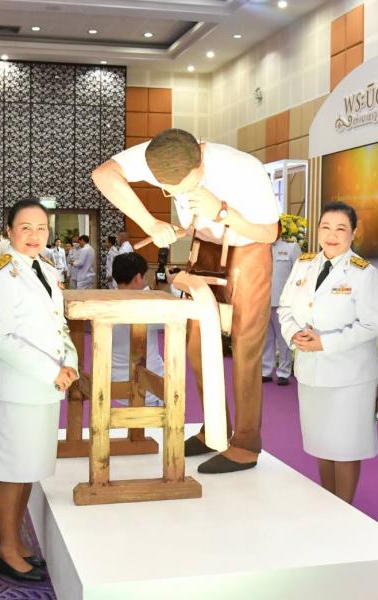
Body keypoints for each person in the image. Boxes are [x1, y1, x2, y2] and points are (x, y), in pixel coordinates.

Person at [92, 128, 280, 473]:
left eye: (184, 188)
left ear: (200, 162)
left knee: (245, 348)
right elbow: (103, 175)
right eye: (169, 191)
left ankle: (246, 443)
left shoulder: (243, 168)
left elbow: (269, 232)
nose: (176, 195)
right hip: (204, 247)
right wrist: (150, 223)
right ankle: (215, 430)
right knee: (197, 346)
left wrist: (221, 212)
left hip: (248, 249)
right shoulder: (158, 153)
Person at [0, 199, 79, 582]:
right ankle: (7, 550)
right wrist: (52, 371)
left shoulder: (46, 270)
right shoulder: (0, 276)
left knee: (28, 471)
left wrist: (69, 362)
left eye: (41, 228)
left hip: (44, 388)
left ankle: (16, 540)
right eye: (25, 227)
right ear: (8, 231)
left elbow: (59, 325)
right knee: (11, 472)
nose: (34, 235)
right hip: (17, 389)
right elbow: (0, 338)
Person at [278, 202, 378, 504]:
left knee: (346, 447)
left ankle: (345, 509)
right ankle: (330, 505)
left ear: (353, 233)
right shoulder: (303, 265)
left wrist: (324, 343)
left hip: (349, 377)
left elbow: (371, 325)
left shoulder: (364, 273)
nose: (332, 235)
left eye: (341, 229)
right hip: (311, 372)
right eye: (326, 227)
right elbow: (285, 308)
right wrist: (293, 334)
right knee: (321, 443)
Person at [111, 252, 165, 406]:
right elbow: (178, 316)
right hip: (149, 390)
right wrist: (168, 287)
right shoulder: (148, 306)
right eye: (145, 277)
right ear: (138, 278)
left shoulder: (107, 300)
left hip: (114, 384)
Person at [262, 225, 301, 385]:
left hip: (282, 303)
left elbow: (299, 275)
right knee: (266, 339)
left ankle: (284, 372)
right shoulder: (259, 248)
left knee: (284, 339)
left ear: (279, 229)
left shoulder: (291, 248)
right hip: (263, 301)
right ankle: (265, 371)